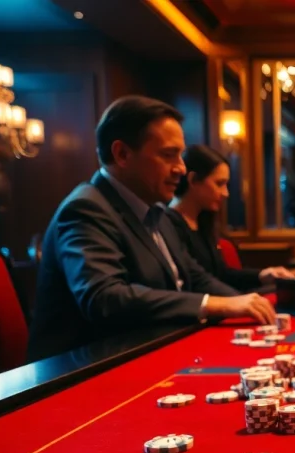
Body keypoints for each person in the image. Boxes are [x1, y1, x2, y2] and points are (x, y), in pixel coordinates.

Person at [28, 96, 276, 362]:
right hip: (85, 369)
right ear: (122, 154)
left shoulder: (156, 210)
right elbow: (105, 297)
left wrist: (246, 304)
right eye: (168, 155)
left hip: (151, 349)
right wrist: (214, 304)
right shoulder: (86, 208)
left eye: (180, 155)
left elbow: (194, 277)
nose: (181, 168)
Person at [164, 145, 295, 291]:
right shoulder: (169, 223)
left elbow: (221, 275)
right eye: (219, 184)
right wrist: (240, 300)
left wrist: (262, 275)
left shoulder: (203, 220)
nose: (226, 193)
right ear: (193, 180)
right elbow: (195, 283)